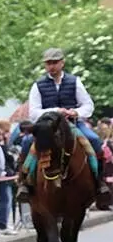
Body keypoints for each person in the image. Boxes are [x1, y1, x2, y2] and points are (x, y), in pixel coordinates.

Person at [17, 48, 112, 208]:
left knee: (94, 140)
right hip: (47, 125)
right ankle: (25, 182)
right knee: (27, 142)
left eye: (54, 62)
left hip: (73, 123)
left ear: (62, 63)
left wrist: (76, 112)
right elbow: (33, 112)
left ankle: (99, 181)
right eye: (48, 63)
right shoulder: (38, 85)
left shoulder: (74, 81)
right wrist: (55, 111)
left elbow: (88, 105)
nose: (52, 66)